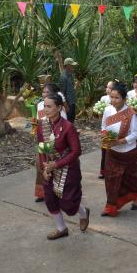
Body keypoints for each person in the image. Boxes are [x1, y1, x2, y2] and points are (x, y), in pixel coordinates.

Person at [37, 93, 89, 240]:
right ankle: (61, 228)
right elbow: (42, 148)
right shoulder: (42, 125)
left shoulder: (68, 127)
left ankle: (83, 213)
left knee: (68, 204)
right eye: (44, 106)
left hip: (68, 169)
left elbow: (76, 151)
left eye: (49, 106)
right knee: (50, 200)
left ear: (59, 107)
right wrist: (44, 169)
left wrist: (57, 164)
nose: (46, 109)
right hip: (50, 169)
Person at [101, 82, 137, 217]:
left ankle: (135, 196)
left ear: (124, 99)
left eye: (116, 98)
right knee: (110, 178)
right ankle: (111, 207)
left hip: (127, 152)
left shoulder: (130, 113)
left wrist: (120, 141)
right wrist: (106, 137)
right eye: (111, 97)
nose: (113, 100)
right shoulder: (107, 110)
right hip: (112, 151)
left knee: (130, 178)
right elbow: (103, 127)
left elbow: (135, 134)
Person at [34, 83, 68, 202]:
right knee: (40, 164)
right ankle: (41, 192)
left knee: (56, 165)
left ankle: (58, 190)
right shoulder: (39, 105)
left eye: (47, 92)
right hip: (44, 138)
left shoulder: (60, 107)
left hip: (57, 140)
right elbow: (38, 121)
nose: (44, 94)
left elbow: (64, 124)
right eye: (43, 92)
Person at [99, 81, 114, 179]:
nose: (107, 89)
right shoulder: (103, 99)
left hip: (116, 131)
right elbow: (102, 118)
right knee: (104, 152)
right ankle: (103, 172)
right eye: (107, 87)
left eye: (110, 87)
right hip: (106, 128)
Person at [59, 57, 78, 123]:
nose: (73, 66)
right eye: (72, 65)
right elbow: (61, 93)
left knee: (72, 119)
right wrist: (65, 105)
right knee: (68, 120)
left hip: (72, 101)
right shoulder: (63, 77)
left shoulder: (70, 75)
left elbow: (72, 88)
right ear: (67, 66)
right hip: (68, 103)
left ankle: (71, 132)